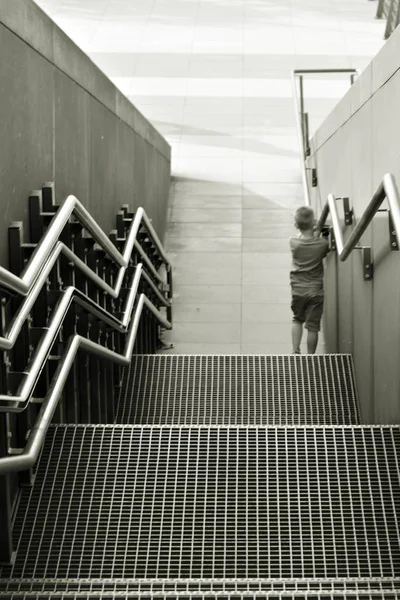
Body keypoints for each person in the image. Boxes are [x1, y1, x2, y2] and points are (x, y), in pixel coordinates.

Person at [290, 206, 329, 354]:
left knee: (297, 319)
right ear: (313, 223)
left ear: (296, 225)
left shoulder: (293, 242)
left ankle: (295, 351)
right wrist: (317, 229)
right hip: (315, 291)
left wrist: (310, 228)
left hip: (298, 289)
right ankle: (311, 357)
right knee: (313, 326)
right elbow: (321, 247)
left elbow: (304, 238)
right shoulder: (322, 244)